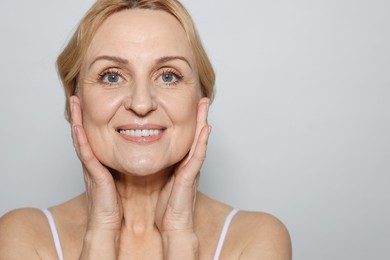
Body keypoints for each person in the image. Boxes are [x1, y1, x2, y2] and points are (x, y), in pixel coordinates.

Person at [0, 0, 291, 259]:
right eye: (112, 76)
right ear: (76, 102)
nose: (141, 103)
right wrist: (100, 233)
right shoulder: (23, 236)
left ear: (201, 101)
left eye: (168, 75)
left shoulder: (255, 238)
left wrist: (178, 234)